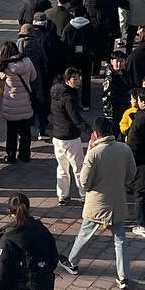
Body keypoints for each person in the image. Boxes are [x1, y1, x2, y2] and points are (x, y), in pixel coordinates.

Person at [63, 120, 137, 288]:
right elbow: (131, 174)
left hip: (97, 202)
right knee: (120, 240)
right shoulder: (124, 149)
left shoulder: (94, 153)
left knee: (85, 233)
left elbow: (84, 182)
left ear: (95, 134)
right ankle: (123, 276)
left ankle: (72, 262)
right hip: (117, 201)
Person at [48, 65, 89, 206]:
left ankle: (62, 195)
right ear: (68, 80)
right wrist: (89, 131)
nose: (78, 81)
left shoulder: (55, 92)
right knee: (78, 168)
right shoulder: (69, 97)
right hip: (70, 137)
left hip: (57, 136)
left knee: (62, 167)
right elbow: (75, 118)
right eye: (75, 79)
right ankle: (84, 195)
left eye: (79, 78)